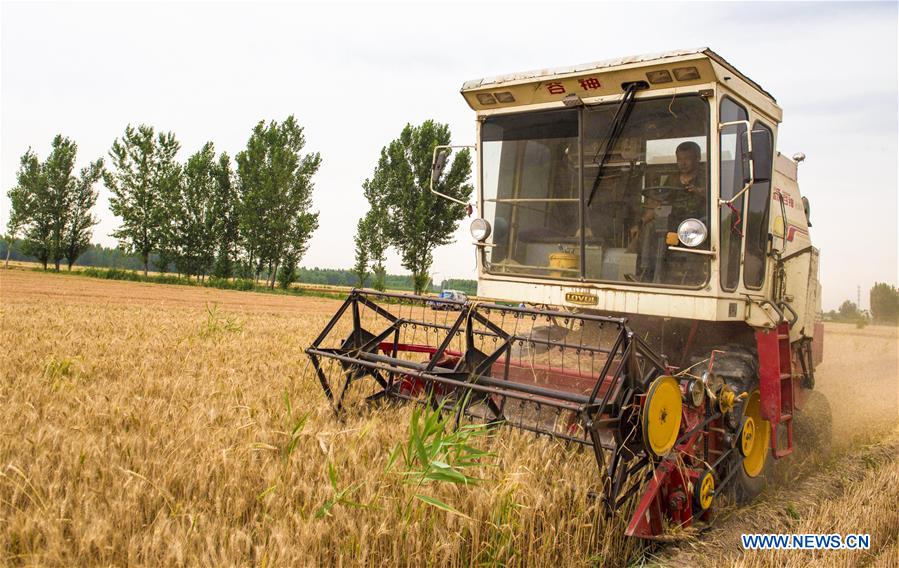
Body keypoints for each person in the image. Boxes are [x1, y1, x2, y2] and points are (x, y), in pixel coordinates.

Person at [629, 140, 706, 241]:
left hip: (700, 223)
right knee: (649, 228)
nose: (683, 163)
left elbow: (715, 199)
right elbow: (659, 203)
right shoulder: (672, 180)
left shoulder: (707, 177)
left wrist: (700, 192)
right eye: (679, 159)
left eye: (687, 159)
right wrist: (640, 223)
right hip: (674, 222)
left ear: (698, 158)